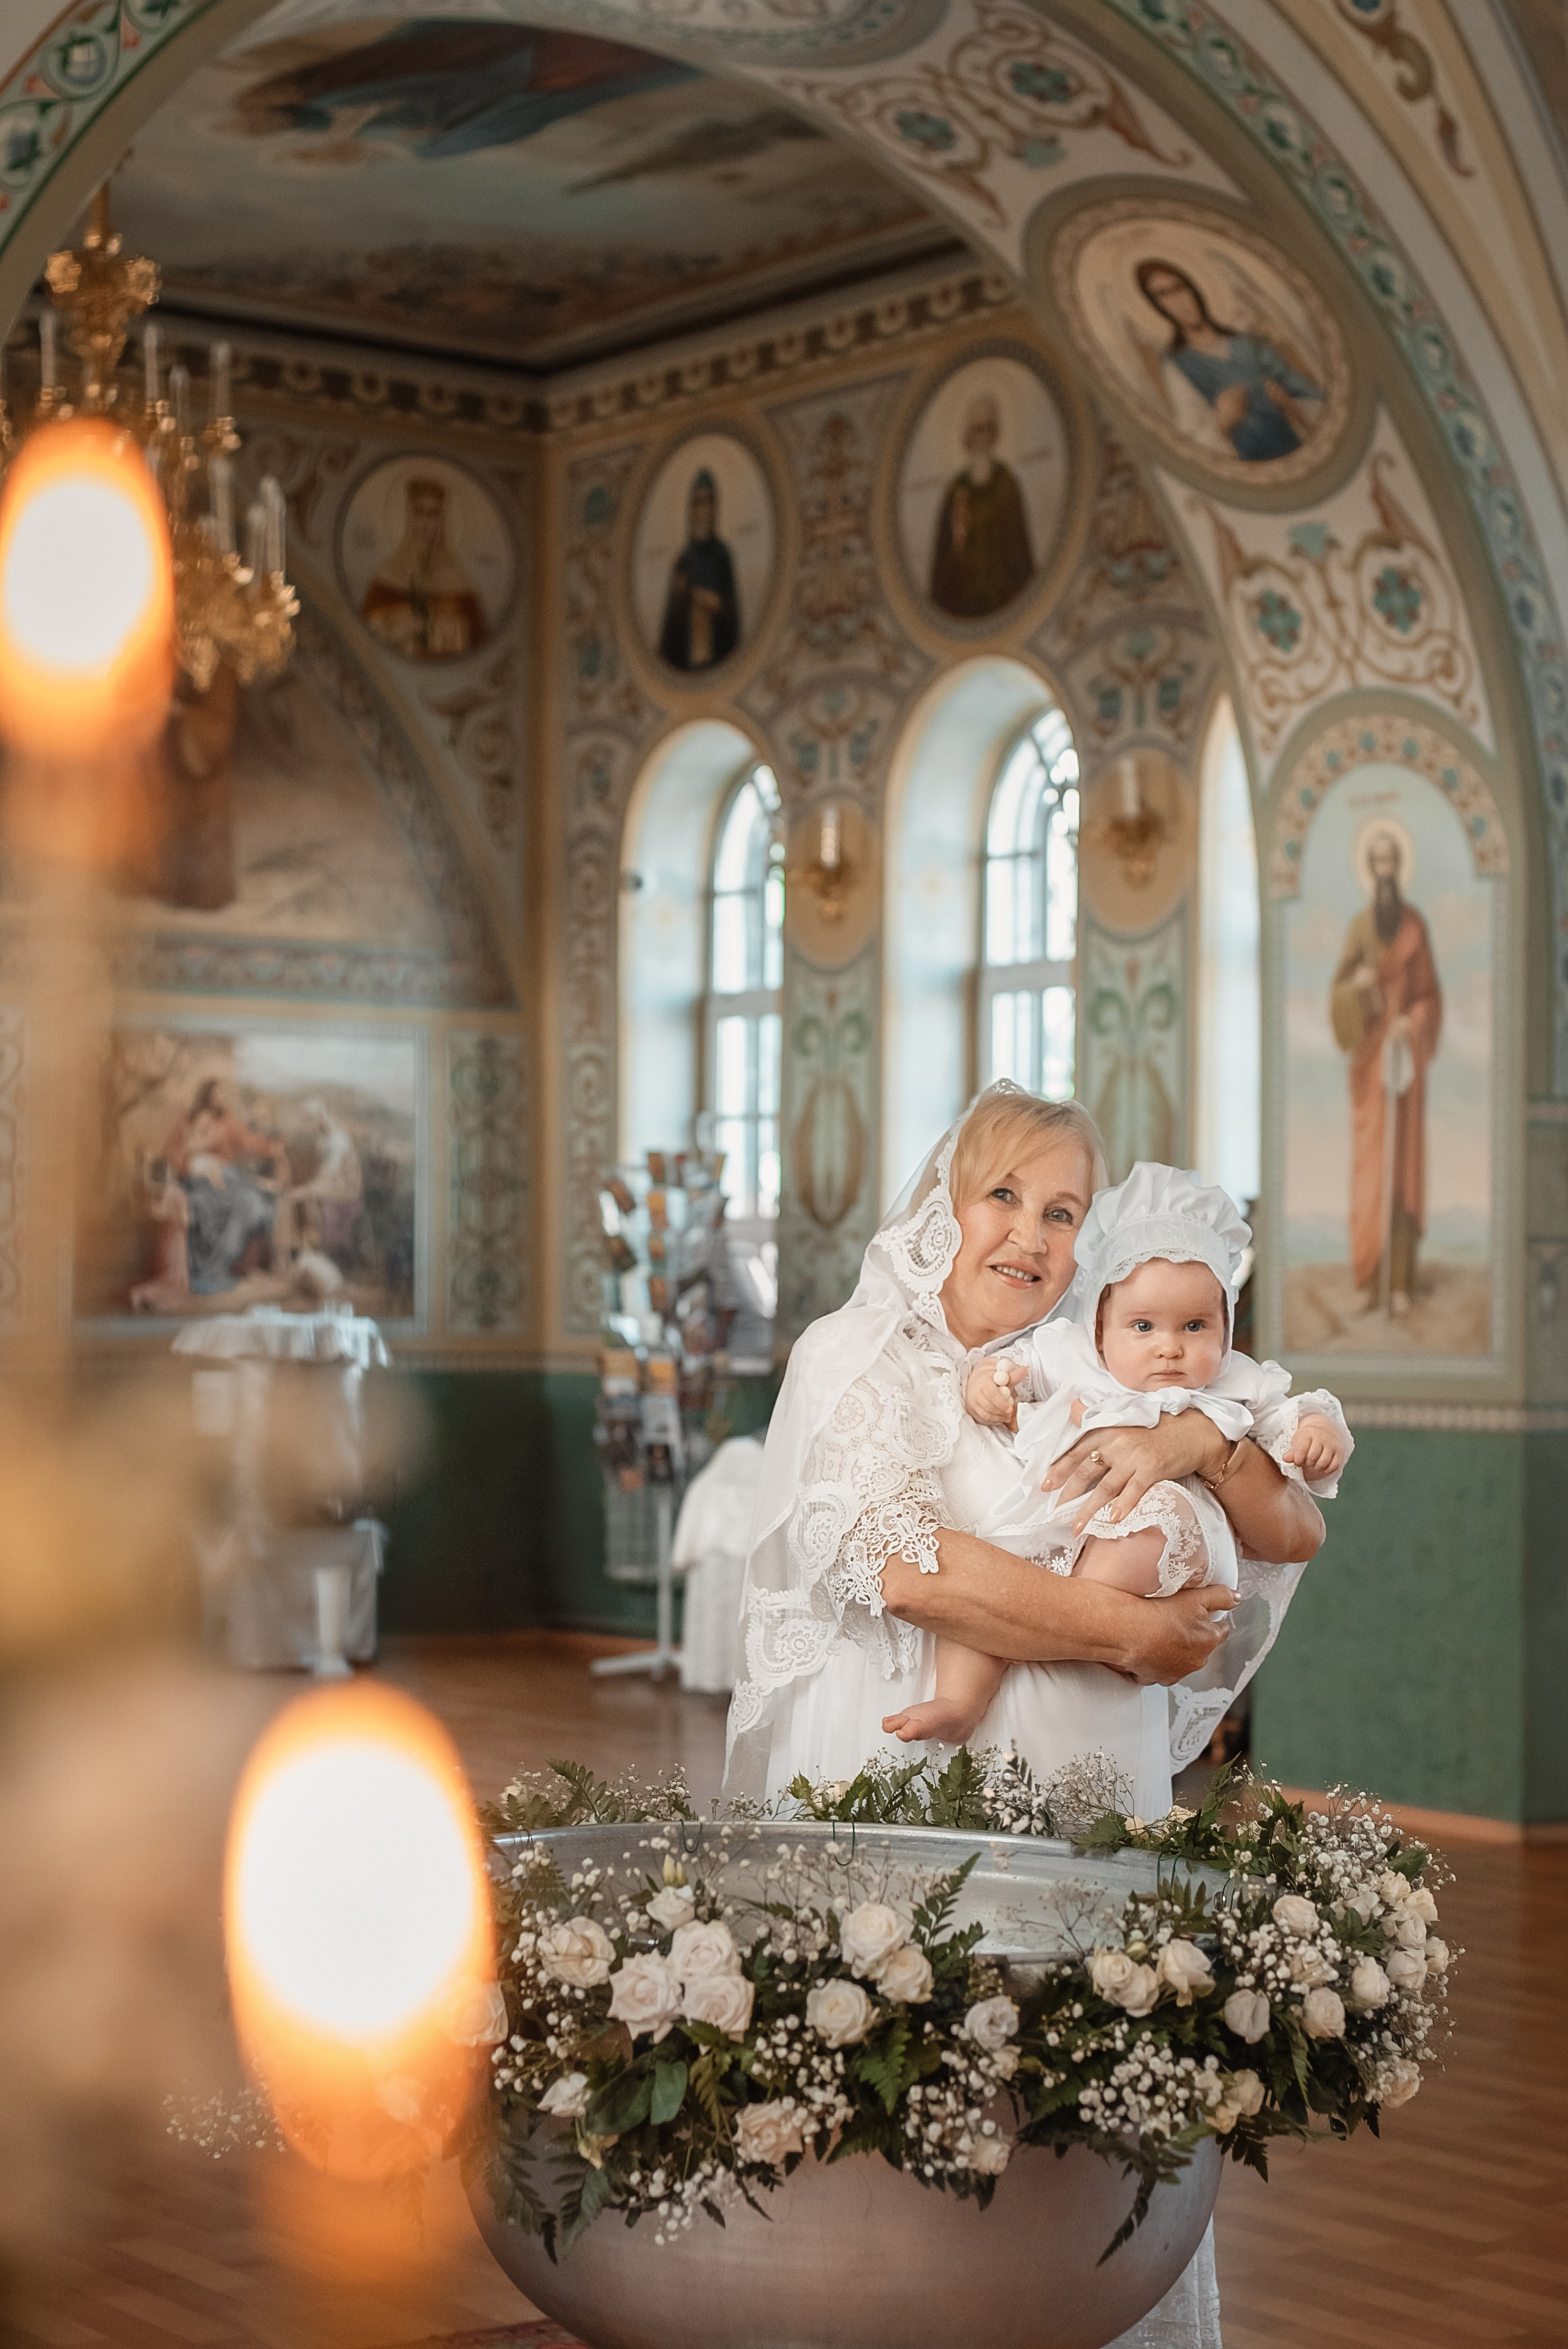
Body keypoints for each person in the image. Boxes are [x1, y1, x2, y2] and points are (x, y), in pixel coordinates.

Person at [727, 1084, 1324, 2349]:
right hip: (895, 1773)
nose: (1030, 1235)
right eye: (1003, 1195)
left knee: (1080, 2142)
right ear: (943, 1204)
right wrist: (1129, 1634)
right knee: (924, 2126)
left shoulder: (1104, 1349)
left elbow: (1286, 1527)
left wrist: (1189, 1450)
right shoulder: (854, 1357)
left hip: (1083, 1790)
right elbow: (901, 1564)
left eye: (1061, 1211)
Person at [884, 1163, 1351, 1748]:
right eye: (1144, 1325)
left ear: (1227, 1329)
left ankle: (1087, 1631)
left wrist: (1316, 1431)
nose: (1170, 1346)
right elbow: (1017, 1371)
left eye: (1196, 1325)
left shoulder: (1234, 1380)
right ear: (1100, 1326)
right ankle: (961, 1699)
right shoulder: (1072, 1354)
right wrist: (991, 1380)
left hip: (1166, 1526)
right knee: (1002, 1566)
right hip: (1063, 1523)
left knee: (1142, 1541)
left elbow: (1288, 1417)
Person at [1329, 824, 1442, 1314]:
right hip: (1370, 1066)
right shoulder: (1359, 928)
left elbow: (1429, 997)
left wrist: (1411, 1022)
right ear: (1370, 870)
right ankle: (1371, 1280)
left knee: (1402, 1173)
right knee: (1372, 1172)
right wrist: (1358, 987)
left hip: (1404, 1069)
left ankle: (1400, 1284)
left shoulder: (1415, 926)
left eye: (1391, 861)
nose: (1385, 871)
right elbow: (1340, 996)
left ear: (1399, 866)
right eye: (1377, 862)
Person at [1134, 257, 1323, 464]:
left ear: (1194, 289)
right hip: (1250, 469)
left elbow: (1313, 399)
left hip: (1296, 450)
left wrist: (1289, 403)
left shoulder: (1248, 344)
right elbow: (1191, 438)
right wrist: (1222, 421)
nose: (1178, 301)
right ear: (1157, 305)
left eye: (1179, 288)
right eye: (1163, 295)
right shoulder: (1176, 364)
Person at [929, 392, 1034, 619]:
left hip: (1005, 596)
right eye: (977, 430)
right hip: (963, 600)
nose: (982, 437)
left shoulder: (1006, 483)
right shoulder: (956, 491)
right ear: (968, 435)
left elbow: (1019, 546)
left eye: (987, 428)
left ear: (995, 433)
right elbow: (943, 555)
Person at [361, 477, 486, 660]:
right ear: (410, 517)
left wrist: (449, 628)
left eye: (433, 514)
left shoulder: (458, 580)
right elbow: (364, 638)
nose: (426, 523)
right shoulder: (388, 573)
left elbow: (478, 644)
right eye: (420, 512)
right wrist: (397, 628)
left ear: (441, 521)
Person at [657, 469, 740, 671]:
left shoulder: (722, 556)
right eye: (697, 503)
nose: (702, 511)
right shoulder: (683, 561)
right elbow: (672, 627)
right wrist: (682, 597)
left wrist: (713, 603)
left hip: (718, 656)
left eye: (707, 502)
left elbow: (732, 613)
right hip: (687, 661)